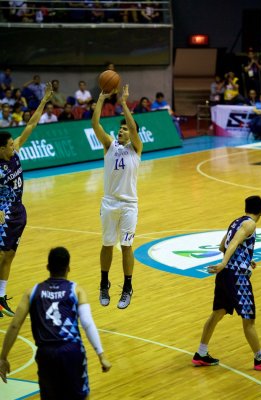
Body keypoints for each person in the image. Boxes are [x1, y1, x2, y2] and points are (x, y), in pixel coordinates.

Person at [0, 246, 111, 399]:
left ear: (47, 267)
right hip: (72, 351)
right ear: (68, 268)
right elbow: (87, 323)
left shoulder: (32, 292)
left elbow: (14, 325)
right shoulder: (76, 290)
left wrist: (3, 357)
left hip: (46, 353)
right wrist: (101, 355)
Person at [192, 196, 261, 371]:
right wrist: (225, 263)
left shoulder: (236, 221)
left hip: (226, 275)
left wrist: (246, 259)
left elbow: (222, 245)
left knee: (217, 313)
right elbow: (233, 243)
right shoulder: (250, 224)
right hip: (237, 277)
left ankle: (201, 353)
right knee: (249, 318)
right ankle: (260, 358)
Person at [0, 82, 53, 317]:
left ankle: (0, 297)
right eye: (10, 145)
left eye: (13, 143)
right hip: (3, 212)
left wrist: (44, 101)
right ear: (1, 149)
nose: (14, 145)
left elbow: (31, 124)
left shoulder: (16, 151)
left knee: (9, 254)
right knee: (0, 254)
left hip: (19, 211)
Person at [92, 84, 142, 309]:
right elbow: (95, 124)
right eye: (120, 129)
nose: (121, 131)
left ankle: (128, 287)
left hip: (129, 205)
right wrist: (102, 99)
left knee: (127, 246)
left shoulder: (136, 148)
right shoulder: (109, 146)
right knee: (107, 244)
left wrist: (123, 103)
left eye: (125, 129)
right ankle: (104, 283)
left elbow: (132, 126)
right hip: (109, 202)